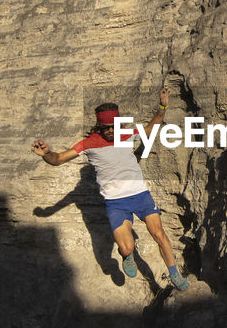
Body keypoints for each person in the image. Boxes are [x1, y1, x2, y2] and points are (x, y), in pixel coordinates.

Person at [32, 87, 188, 290]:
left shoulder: (127, 135)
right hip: (116, 203)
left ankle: (175, 274)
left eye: (113, 126)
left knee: (159, 234)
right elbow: (58, 159)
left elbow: (153, 126)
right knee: (126, 246)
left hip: (140, 195)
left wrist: (163, 106)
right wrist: (46, 154)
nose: (111, 131)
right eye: (106, 127)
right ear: (99, 125)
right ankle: (127, 256)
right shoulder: (88, 143)